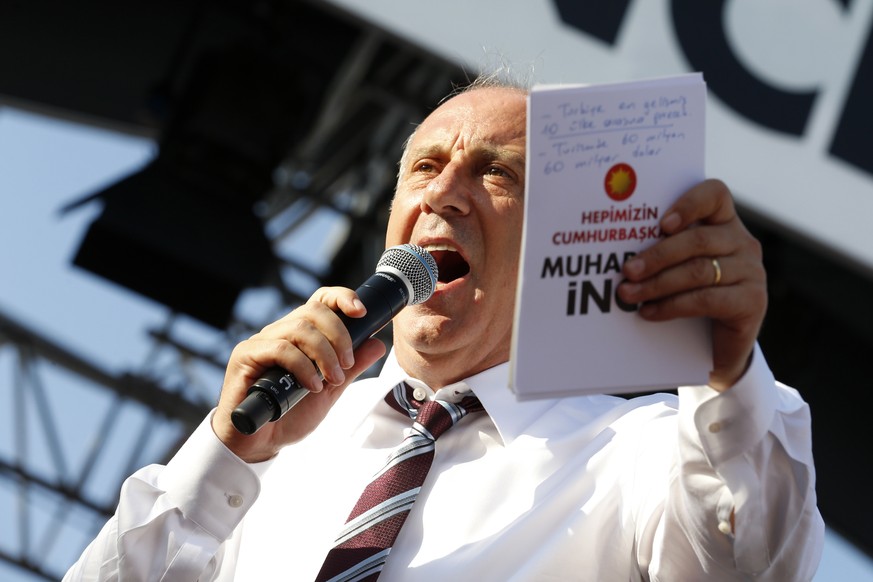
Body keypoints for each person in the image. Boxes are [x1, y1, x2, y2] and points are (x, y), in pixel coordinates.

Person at [65, 76, 824, 581]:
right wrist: (223, 452)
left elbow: (752, 556)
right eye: (425, 166)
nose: (446, 193)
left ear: (562, 234)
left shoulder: (636, 453)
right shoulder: (270, 451)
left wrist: (725, 372)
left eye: (497, 172)